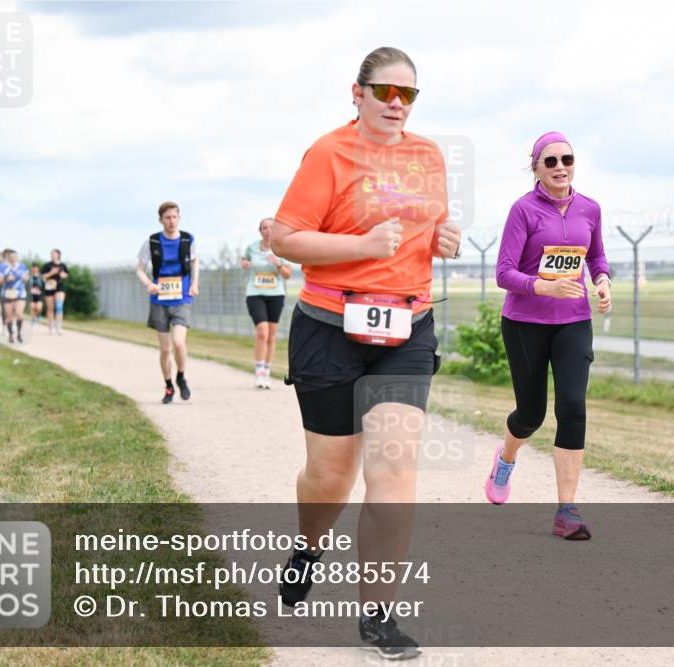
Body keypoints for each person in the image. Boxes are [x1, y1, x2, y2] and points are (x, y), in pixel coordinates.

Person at [271, 46, 461, 660]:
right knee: (331, 476)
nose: (396, 105)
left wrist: (444, 237)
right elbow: (287, 237)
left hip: (407, 328)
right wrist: (362, 242)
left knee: (394, 472)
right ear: (357, 93)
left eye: (408, 94)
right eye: (385, 92)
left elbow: (426, 228)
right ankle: (308, 545)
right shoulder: (329, 152)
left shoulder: (428, 155)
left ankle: (378, 616)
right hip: (330, 324)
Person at [487, 131, 612, 541]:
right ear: (536, 168)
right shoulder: (523, 211)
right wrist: (545, 286)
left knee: (573, 407)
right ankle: (506, 459)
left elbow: (595, 253)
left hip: (574, 319)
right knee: (531, 415)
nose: (561, 167)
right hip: (525, 322)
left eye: (567, 160)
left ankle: (567, 511)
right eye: (551, 161)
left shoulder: (590, 208)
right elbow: (504, 273)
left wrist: (602, 280)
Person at [136, 201, 198, 404]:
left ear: (179, 218)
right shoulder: (152, 242)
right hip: (159, 298)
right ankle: (169, 385)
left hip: (182, 297)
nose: (171, 221)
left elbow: (195, 261)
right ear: (160, 220)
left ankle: (181, 376)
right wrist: (148, 284)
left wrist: (195, 283)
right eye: (167, 218)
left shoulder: (188, 239)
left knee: (179, 342)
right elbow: (140, 269)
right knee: (164, 349)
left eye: (174, 217)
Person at [242, 217, 293, 388]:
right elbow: (243, 262)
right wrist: (247, 263)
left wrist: (278, 264)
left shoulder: (281, 248)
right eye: (264, 228)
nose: (268, 231)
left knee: (271, 335)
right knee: (262, 331)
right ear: (260, 231)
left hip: (276, 294)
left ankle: (267, 371)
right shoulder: (252, 248)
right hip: (255, 293)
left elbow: (287, 274)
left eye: (271, 227)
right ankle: (259, 371)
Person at [0, 249, 29, 344]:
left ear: (17, 257)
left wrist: (25, 279)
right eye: (11, 257)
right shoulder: (3, 267)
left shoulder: (22, 266)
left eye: (15, 257)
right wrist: (7, 278)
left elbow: (27, 278)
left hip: (20, 293)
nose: (13, 258)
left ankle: (19, 334)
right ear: (8, 258)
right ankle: (11, 335)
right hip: (8, 294)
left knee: (19, 313)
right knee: (9, 317)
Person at [41, 249, 69, 334]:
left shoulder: (62, 265)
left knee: (59, 306)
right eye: (51, 254)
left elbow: (66, 274)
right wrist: (51, 272)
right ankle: (51, 326)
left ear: (58, 255)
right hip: (49, 287)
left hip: (59, 287)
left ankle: (59, 327)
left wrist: (63, 275)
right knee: (50, 308)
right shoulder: (47, 265)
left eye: (54, 253)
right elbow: (43, 277)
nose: (52, 255)